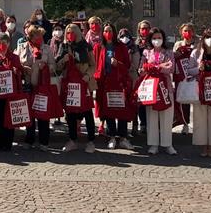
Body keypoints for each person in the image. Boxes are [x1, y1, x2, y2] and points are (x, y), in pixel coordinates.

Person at [56, 23, 97, 153]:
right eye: (67, 32)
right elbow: (58, 66)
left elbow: (93, 65)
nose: (70, 35)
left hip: (84, 83)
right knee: (70, 113)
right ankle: (72, 140)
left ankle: (91, 141)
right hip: (70, 84)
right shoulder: (64, 46)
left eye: (72, 32)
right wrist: (63, 60)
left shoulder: (86, 46)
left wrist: (87, 76)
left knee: (87, 112)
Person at [94, 22, 135, 151]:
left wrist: (118, 64)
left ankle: (123, 138)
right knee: (109, 111)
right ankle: (111, 136)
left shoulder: (121, 47)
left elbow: (127, 65)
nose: (108, 33)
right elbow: (95, 65)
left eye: (110, 31)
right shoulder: (99, 47)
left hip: (119, 82)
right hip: (105, 83)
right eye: (105, 31)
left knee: (121, 110)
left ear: (114, 32)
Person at [186, 27, 211, 158]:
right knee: (200, 118)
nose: (210, 40)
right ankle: (203, 146)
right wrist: (198, 68)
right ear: (203, 38)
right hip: (200, 88)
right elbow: (188, 71)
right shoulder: (195, 53)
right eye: (207, 37)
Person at [16, 25, 54, 150]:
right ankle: (29, 139)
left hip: (41, 87)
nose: (39, 37)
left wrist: (46, 67)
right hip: (27, 85)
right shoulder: (22, 47)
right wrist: (21, 68)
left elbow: (53, 66)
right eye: (37, 35)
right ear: (30, 37)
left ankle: (44, 142)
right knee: (29, 114)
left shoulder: (47, 49)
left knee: (42, 114)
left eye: (41, 35)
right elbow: (14, 63)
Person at [139, 28, 176, 155]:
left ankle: (168, 144)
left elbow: (170, 68)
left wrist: (153, 68)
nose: (157, 40)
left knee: (167, 115)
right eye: (154, 38)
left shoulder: (169, 53)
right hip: (151, 88)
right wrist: (159, 67)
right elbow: (142, 69)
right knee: (152, 116)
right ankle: (153, 144)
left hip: (166, 87)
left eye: (159, 37)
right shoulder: (146, 53)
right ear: (150, 39)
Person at [0, 32, 24, 151]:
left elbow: (20, 74)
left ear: (8, 44)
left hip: (10, 95)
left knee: (9, 119)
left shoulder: (14, 57)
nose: (2, 45)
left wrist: (17, 72)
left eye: (4, 43)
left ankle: (8, 143)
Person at [172, 22, 196, 135]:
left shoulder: (197, 44)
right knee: (182, 100)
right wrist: (176, 54)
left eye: (189, 30)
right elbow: (173, 58)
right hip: (180, 75)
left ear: (193, 32)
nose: (187, 33)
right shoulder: (178, 44)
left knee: (194, 98)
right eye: (185, 31)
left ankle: (193, 124)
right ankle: (183, 122)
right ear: (181, 33)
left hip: (193, 75)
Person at [132, 20, 151, 134]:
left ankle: (148, 124)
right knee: (139, 100)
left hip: (150, 74)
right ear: (139, 30)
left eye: (147, 28)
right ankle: (139, 123)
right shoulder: (135, 44)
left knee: (149, 99)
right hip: (137, 74)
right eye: (142, 28)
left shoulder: (153, 43)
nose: (145, 31)